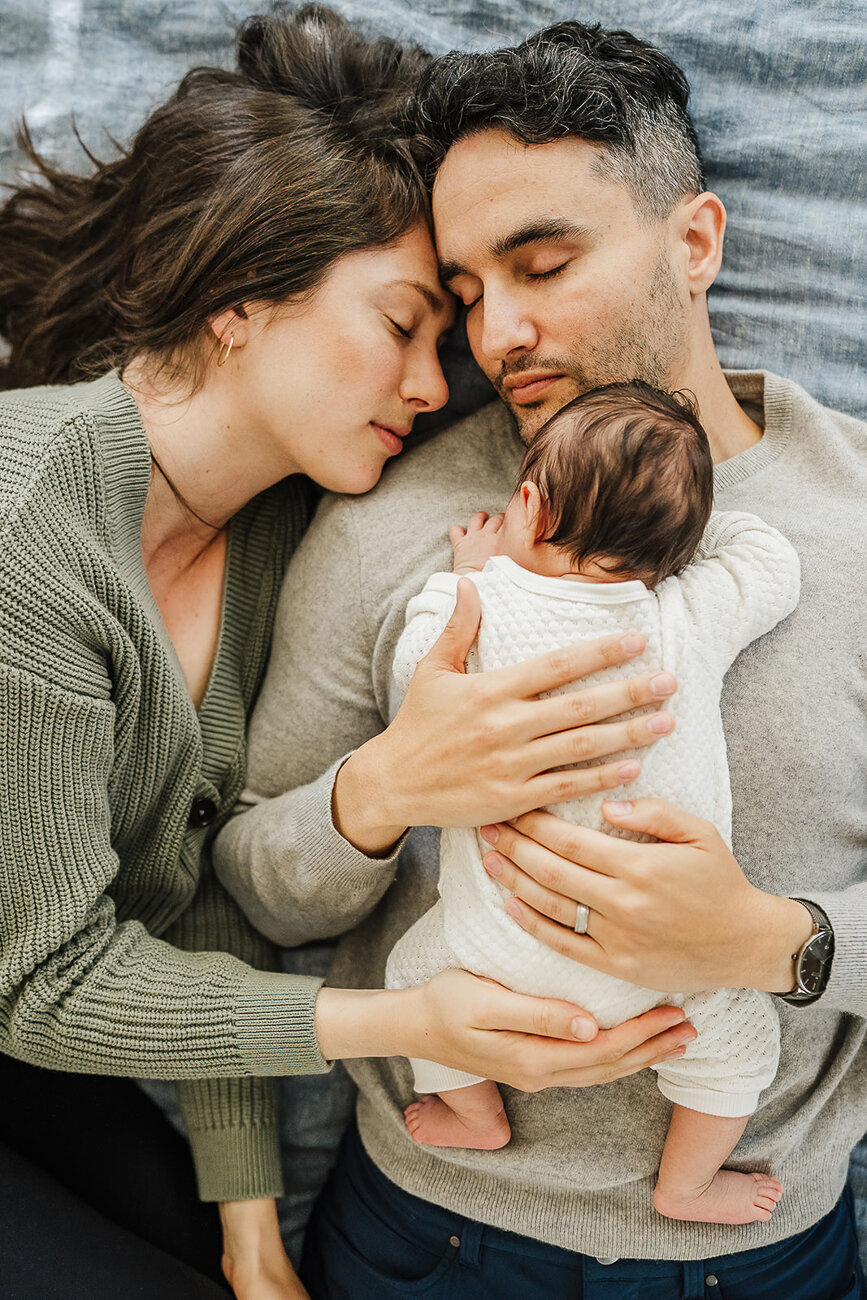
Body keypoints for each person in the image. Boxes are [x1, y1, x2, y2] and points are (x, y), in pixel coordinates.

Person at [0, 9, 696, 1297]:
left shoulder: (263, 539)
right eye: (406, 323)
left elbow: (201, 893)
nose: (444, 381)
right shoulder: (25, 521)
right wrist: (402, 1023)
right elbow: (43, 980)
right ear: (239, 300)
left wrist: (252, 1231)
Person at [213, 20, 866, 1299]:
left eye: (545, 263)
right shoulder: (396, 525)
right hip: (428, 1235)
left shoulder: (855, 526)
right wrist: (384, 791)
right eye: (464, 294)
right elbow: (252, 887)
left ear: (694, 242)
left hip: (759, 1253)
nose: (496, 332)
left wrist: (778, 940)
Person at [385, 381, 800, 1228]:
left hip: (497, 946)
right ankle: (683, 1185)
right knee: (736, 1039)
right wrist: (680, 524)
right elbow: (771, 564)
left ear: (528, 507)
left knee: (405, 979)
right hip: (666, 954)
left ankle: (475, 1114)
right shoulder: (680, 614)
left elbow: (413, 686)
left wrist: (465, 574)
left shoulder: (479, 607)